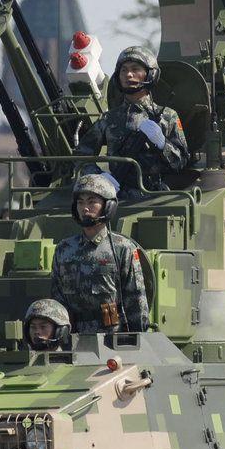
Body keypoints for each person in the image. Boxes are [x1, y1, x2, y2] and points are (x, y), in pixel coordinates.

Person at [74, 46, 188, 198]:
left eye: (135, 69)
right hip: (119, 196)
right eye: (124, 70)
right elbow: (81, 156)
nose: (128, 74)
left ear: (150, 74)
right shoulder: (108, 119)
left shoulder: (167, 116)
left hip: (158, 197)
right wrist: (99, 178)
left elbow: (181, 163)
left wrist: (162, 144)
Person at [50, 174, 149, 335]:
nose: (85, 208)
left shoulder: (122, 248)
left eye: (91, 202)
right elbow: (57, 297)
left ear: (108, 206)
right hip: (74, 337)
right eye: (80, 202)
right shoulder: (64, 249)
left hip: (112, 337)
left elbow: (136, 298)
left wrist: (139, 338)